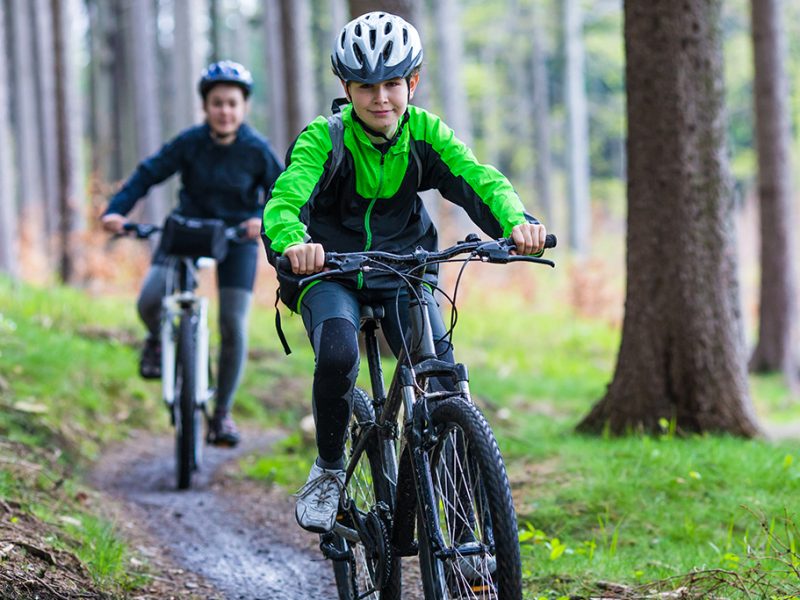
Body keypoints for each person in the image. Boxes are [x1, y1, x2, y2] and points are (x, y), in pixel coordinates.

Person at [262, 12, 546, 533]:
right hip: (331, 270)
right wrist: (294, 244)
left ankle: (464, 531)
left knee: (441, 385)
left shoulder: (425, 133)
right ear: (346, 88)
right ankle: (328, 469)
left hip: (404, 267)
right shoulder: (324, 138)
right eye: (365, 86)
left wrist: (518, 222)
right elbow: (285, 202)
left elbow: (478, 179)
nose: (380, 98)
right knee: (340, 353)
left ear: (411, 83)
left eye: (392, 83)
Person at [102, 60, 284, 447]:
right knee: (150, 302)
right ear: (205, 106)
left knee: (232, 326)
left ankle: (222, 415)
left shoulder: (256, 150)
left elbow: (283, 193)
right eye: (217, 103)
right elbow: (148, 173)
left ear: (244, 107)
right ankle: (156, 339)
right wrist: (116, 210)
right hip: (186, 232)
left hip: (236, 239)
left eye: (232, 103)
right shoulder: (190, 143)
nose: (225, 111)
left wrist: (259, 218)